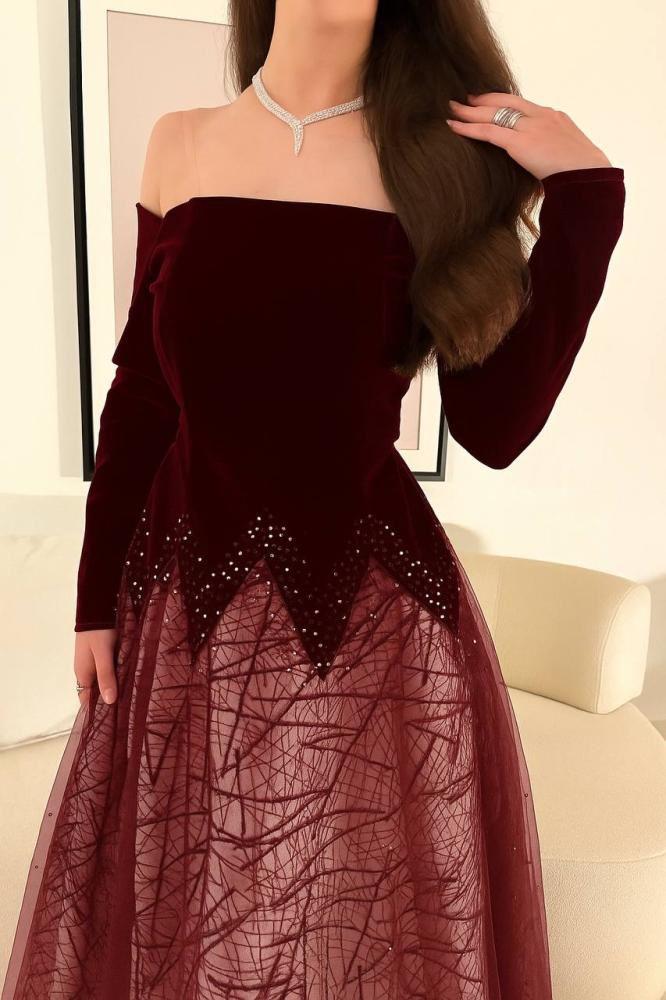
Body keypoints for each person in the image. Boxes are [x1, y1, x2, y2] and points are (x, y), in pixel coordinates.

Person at [2, 1, 625, 997]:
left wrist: (587, 192)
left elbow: (498, 427)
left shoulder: (444, 169)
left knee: (363, 928)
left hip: (376, 613)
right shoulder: (181, 142)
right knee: (194, 912)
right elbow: (145, 391)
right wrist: (92, 599)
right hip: (185, 604)